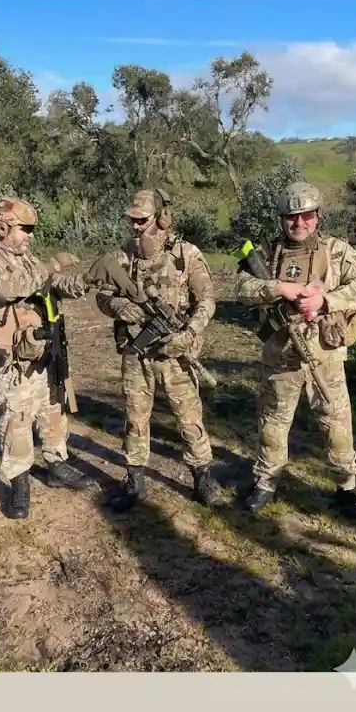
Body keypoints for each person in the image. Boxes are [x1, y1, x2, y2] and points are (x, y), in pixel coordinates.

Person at [234, 182, 356, 519]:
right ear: (282, 218)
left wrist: (326, 299)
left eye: (306, 216)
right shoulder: (267, 254)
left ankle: (346, 488)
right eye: (291, 217)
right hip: (280, 358)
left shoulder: (337, 250)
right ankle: (265, 481)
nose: (299, 224)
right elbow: (240, 287)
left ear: (318, 216)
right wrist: (279, 287)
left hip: (324, 357)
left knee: (336, 425)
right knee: (272, 425)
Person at [0, 196, 103, 519]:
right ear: (1, 227)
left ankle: (56, 463)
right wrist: (52, 265)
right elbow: (8, 289)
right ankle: (19, 482)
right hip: (12, 361)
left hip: (43, 351)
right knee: (16, 421)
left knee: (53, 410)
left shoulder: (26, 259)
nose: (31, 235)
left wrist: (88, 280)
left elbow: (52, 285)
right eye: (26, 229)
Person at [94, 188, 220, 512]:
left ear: (162, 217)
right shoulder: (124, 255)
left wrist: (190, 333)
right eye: (131, 221)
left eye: (142, 221)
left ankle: (202, 476)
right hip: (137, 355)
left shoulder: (186, 254)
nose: (135, 227)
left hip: (175, 353)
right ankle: (135, 480)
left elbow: (206, 300)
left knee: (189, 417)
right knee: (135, 417)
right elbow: (103, 295)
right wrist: (120, 306)